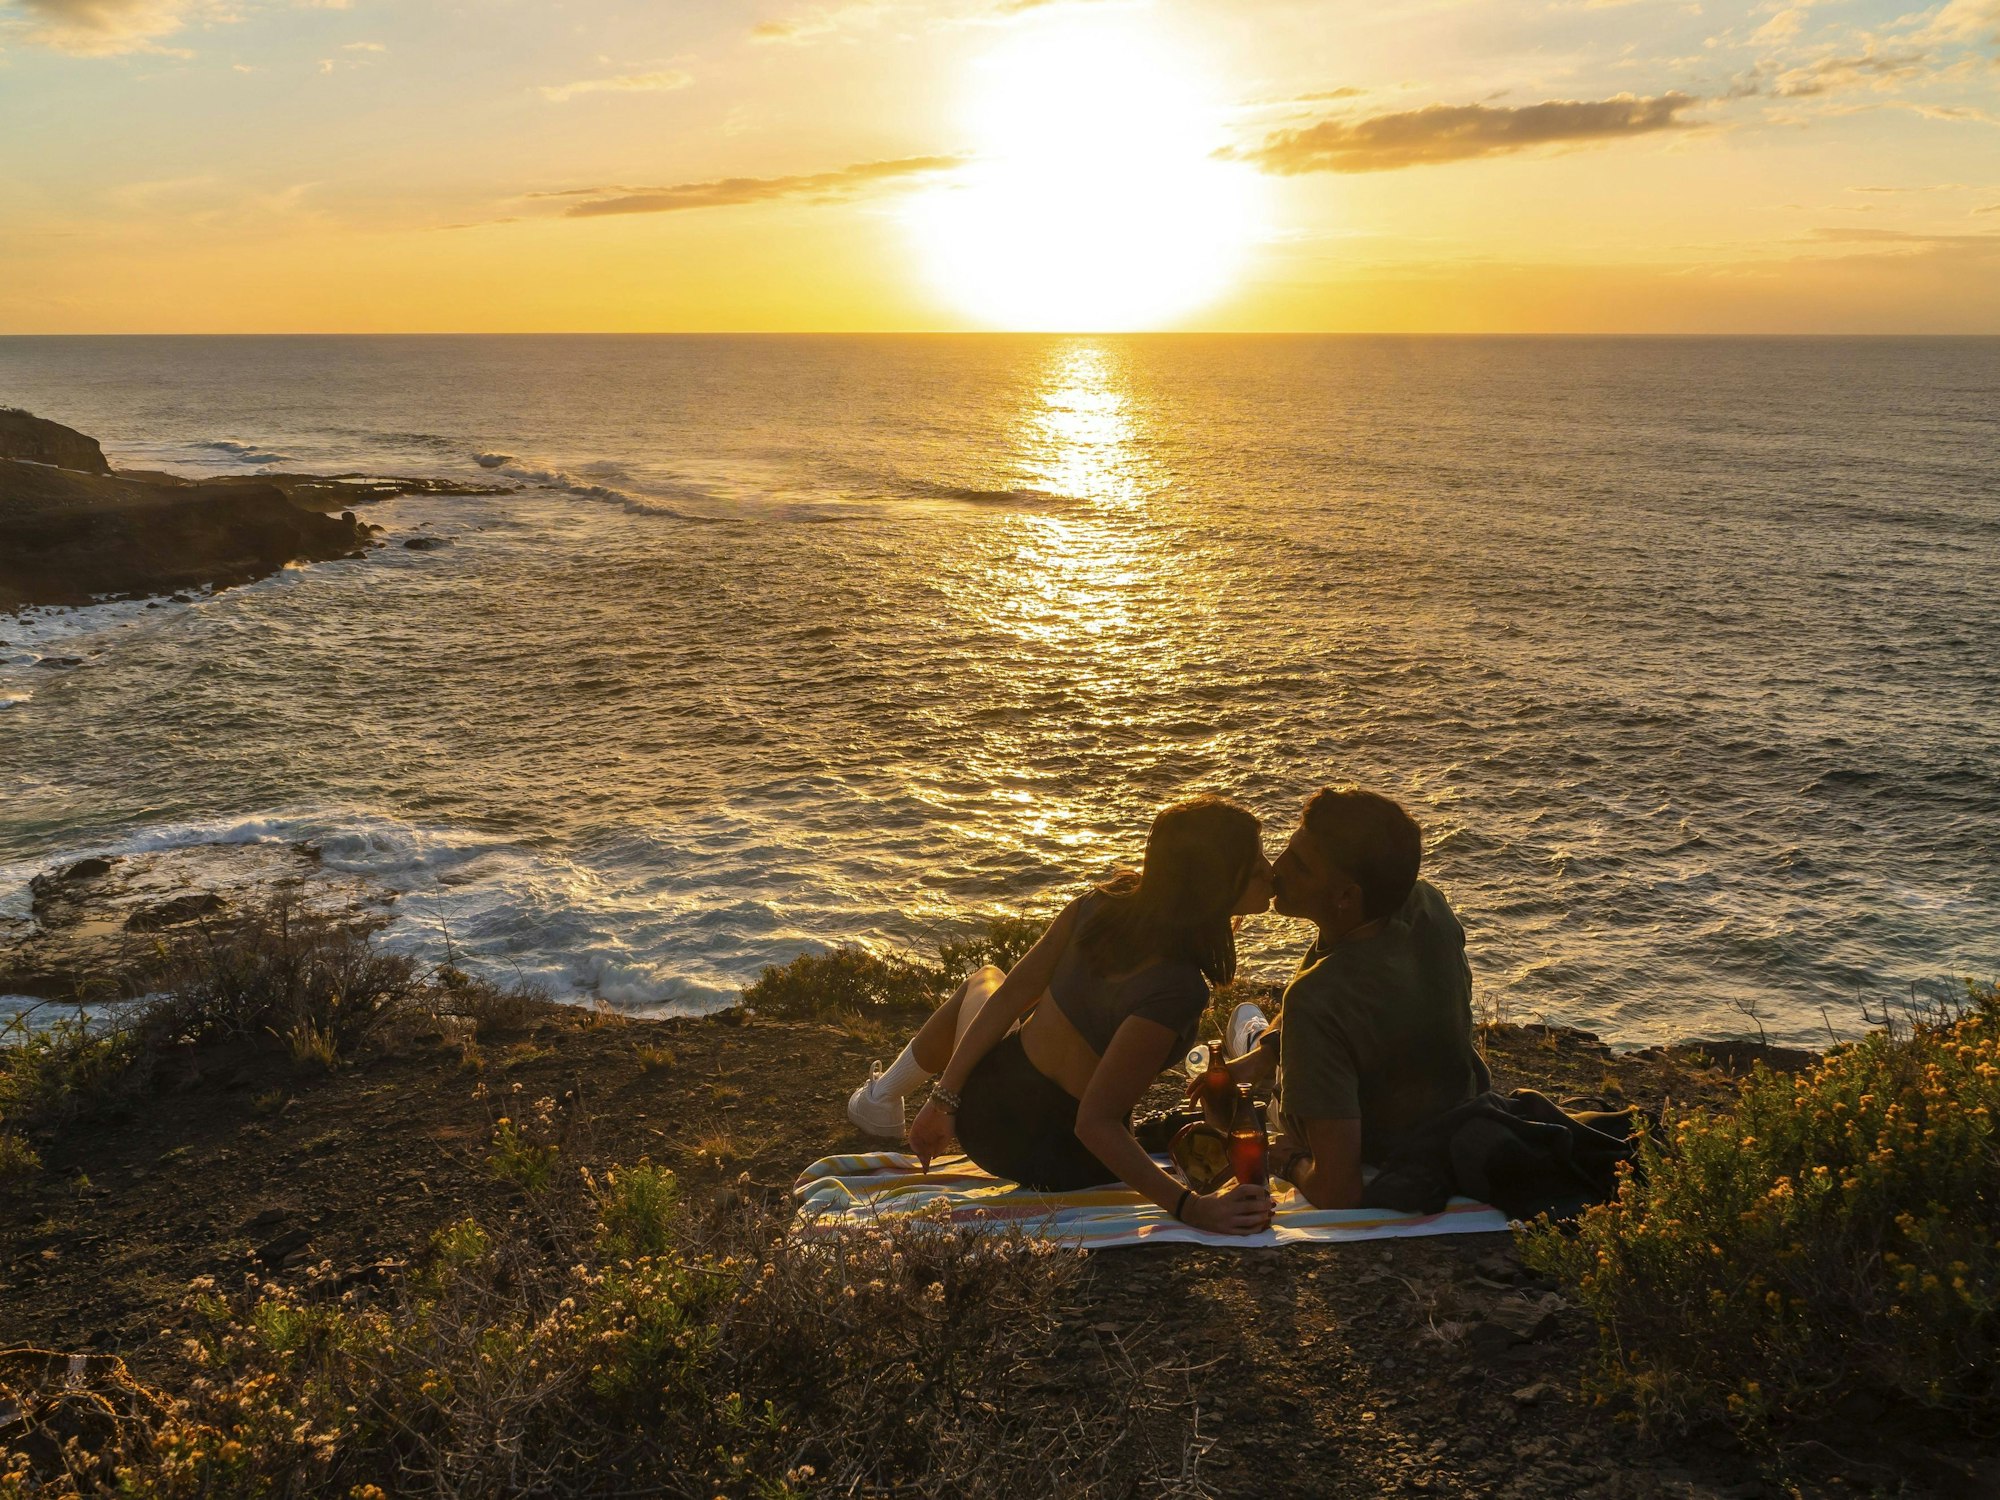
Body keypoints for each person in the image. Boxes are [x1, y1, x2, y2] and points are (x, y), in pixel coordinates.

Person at [844, 795, 1278, 1236]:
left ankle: (882, 1097)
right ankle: (883, 1099)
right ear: (1215, 881)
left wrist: (946, 1099)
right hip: (1066, 1158)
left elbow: (1013, 995)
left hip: (986, 1121)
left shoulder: (1099, 906)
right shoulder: (1178, 989)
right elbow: (1095, 1123)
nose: (1269, 870)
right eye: (1255, 860)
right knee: (991, 982)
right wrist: (1192, 1208)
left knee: (989, 980)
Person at [1206, 785, 1490, 1210]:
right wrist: (1269, 1053)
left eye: (1299, 865)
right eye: (1287, 849)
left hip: (1376, 1142)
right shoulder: (1425, 903)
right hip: (1454, 1108)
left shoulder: (1317, 998)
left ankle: (1254, 1044)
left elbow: (1339, 1191)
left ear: (1345, 896)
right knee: (1265, 1035)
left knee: (1241, 1024)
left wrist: (1291, 1160)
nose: (1277, 869)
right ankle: (1262, 1047)